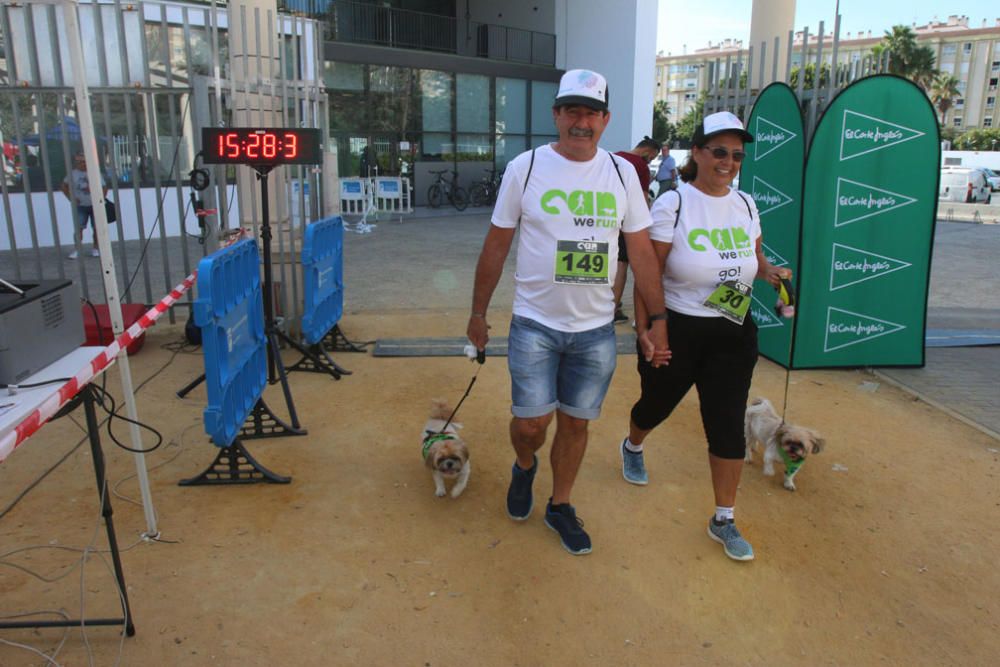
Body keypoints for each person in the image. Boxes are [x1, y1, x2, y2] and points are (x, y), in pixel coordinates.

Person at [467, 69, 670, 556]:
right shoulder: (527, 168)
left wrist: (656, 320)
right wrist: (478, 313)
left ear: (606, 120)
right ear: (557, 115)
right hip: (535, 324)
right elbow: (496, 246)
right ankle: (524, 466)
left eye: (592, 113)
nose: (582, 122)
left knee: (576, 424)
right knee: (532, 425)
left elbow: (641, 253)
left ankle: (560, 505)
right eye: (572, 111)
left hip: (595, 330)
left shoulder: (623, 174)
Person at [617, 111, 791, 562]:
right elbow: (647, 272)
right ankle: (633, 443)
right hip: (678, 325)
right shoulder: (674, 204)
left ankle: (724, 518)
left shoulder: (747, 204)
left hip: (733, 330)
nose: (728, 161)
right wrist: (646, 330)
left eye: (736, 154)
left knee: (727, 422)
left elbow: (754, 257)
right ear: (697, 152)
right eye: (719, 151)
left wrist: (772, 274)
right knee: (657, 403)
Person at [612, 136, 662, 323]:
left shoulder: (614, 157)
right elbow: (641, 200)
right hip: (628, 223)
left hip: (608, 217)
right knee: (622, 265)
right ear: (647, 152)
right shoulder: (640, 165)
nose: (652, 160)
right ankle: (613, 309)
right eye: (653, 156)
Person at [61, 151, 108, 259]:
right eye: (80, 162)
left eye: (84, 162)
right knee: (79, 229)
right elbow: (64, 186)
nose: (82, 164)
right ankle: (77, 250)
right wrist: (71, 198)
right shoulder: (73, 174)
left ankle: (96, 248)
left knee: (96, 228)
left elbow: (104, 188)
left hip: (95, 205)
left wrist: (101, 200)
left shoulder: (95, 173)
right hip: (80, 206)